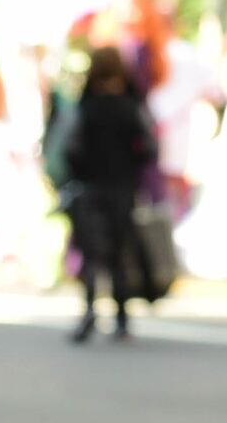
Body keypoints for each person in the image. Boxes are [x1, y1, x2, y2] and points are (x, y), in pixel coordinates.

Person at [47, 42, 151, 342]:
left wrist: (76, 172)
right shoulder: (131, 107)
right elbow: (148, 148)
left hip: (90, 188)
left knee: (94, 254)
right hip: (122, 188)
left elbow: (70, 149)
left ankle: (91, 311)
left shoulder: (85, 107)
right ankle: (121, 319)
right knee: (119, 252)